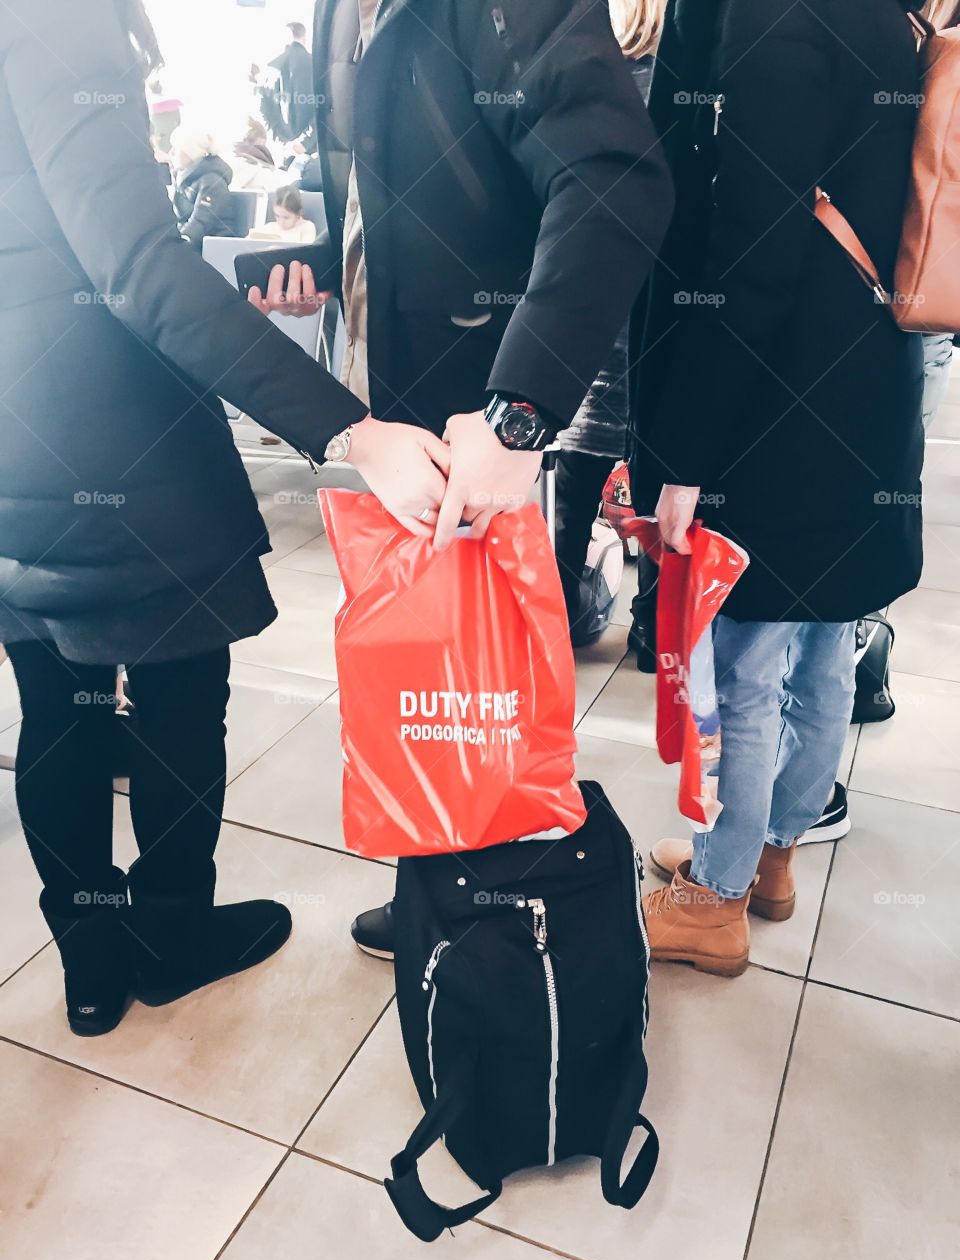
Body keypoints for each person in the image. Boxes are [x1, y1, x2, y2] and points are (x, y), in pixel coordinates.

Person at [0, 0, 454, 1036]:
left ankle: (86, 956)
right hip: (112, 436)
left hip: (16, 423)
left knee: (55, 699)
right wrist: (344, 427)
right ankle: (166, 934)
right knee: (177, 689)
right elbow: (131, 268)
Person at [251, 0, 674, 958]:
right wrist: (328, 260)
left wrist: (519, 412)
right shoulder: (333, 13)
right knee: (431, 678)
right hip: (400, 402)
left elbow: (616, 180)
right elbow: (404, 180)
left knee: (481, 683)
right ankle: (441, 899)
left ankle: (491, 926)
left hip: (478, 412)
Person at [629, 0, 925, 977]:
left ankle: (714, 897)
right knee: (826, 638)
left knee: (747, 654)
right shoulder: (886, 18)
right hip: (868, 377)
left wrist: (686, 454)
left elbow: (752, 258)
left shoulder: (777, 18)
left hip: (782, 391)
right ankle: (771, 854)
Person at [553, 0, 661, 642]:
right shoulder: (685, 85)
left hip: (587, 308)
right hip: (658, 311)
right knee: (657, 485)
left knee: (574, 482)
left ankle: (560, 613)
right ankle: (652, 629)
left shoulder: (582, 79)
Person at [169, 126, 237, 249]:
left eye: (176, 148)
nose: (171, 152)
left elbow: (202, 222)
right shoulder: (185, 180)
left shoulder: (212, 182)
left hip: (214, 247)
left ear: (191, 152)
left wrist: (179, 244)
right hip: (198, 244)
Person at [259, 20, 315, 146]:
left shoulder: (271, 66)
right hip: (307, 146)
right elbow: (321, 106)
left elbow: (265, 107)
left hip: (280, 143)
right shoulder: (313, 63)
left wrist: (278, 137)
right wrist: (306, 143)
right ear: (304, 37)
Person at [248, 185, 317, 244]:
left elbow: (307, 251)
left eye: (286, 217)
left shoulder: (306, 227)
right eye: (277, 216)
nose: (281, 221)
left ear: (297, 214)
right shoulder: (271, 226)